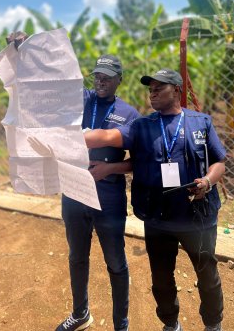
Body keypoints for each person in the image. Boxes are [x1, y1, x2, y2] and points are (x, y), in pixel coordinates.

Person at [84, 68, 226, 331]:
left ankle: (213, 324)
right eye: (150, 89)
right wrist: (105, 165)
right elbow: (116, 146)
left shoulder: (201, 122)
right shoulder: (142, 126)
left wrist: (207, 181)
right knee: (161, 278)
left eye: (159, 88)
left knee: (207, 275)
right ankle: (171, 324)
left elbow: (219, 163)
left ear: (177, 91)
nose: (153, 93)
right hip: (158, 218)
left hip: (198, 218)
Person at [56, 55, 140, 331]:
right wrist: (26, 51)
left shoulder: (128, 114)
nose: (100, 80)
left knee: (115, 261)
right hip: (74, 193)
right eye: (97, 76)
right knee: (76, 256)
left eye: (107, 76)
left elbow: (138, 161)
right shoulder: (81, 100)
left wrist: (111, 168)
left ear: (119, 80)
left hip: (108, 199)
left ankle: (121, 325)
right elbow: (55, 81)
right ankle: (81, 314)